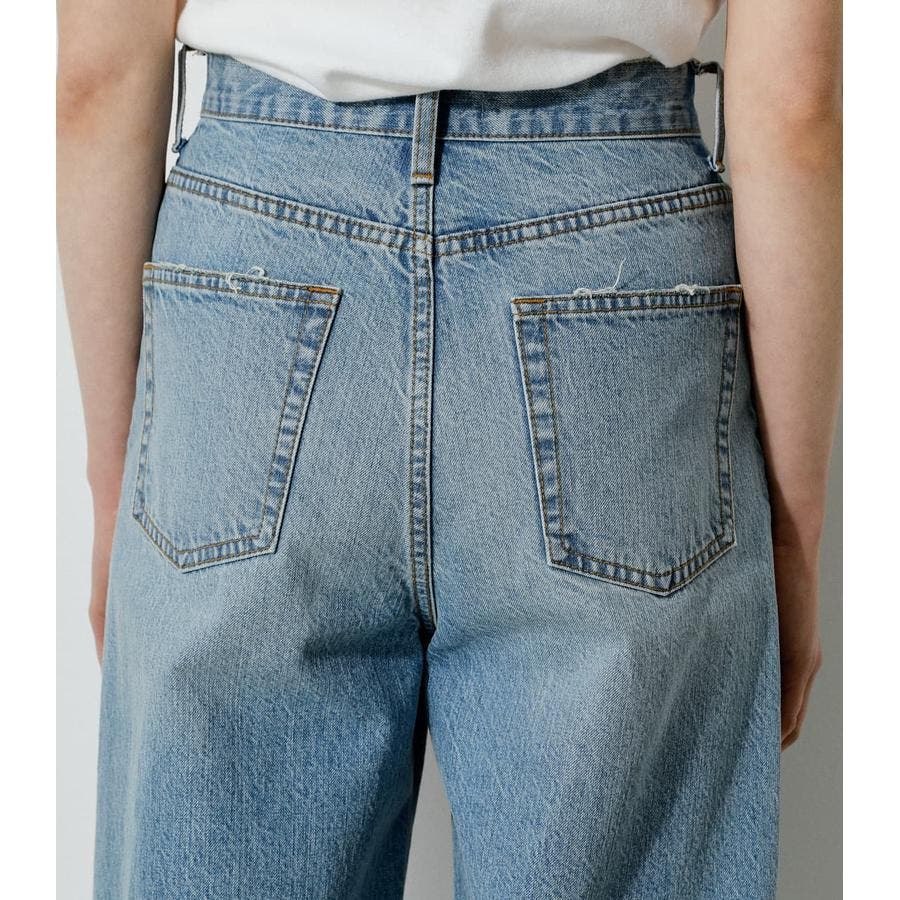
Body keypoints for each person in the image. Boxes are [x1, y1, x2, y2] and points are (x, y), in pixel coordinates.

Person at [58, 0, 841, 897]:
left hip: (254, 285)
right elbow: (795, 112)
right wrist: (793, 533)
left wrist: (114, 484)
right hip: (614, 277)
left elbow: (96, 81)